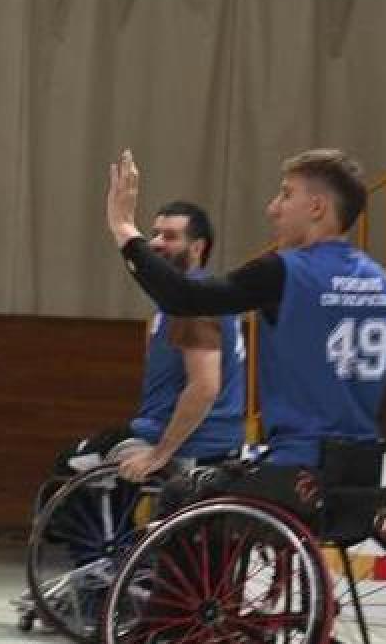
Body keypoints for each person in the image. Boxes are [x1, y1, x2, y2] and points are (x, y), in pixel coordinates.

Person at [105, 148, 386, 535]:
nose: (273, 208)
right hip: (359, 476)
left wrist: (125, 229)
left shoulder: (286, 272)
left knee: (181, 495)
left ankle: (171, 596)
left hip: (296, 471)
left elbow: (184, 297)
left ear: (317, 207)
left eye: (286, 194)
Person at [50, 201, 246, 490]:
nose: (155, 243)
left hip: (190, 444)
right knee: (110, 451)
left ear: (197, 248)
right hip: (199, 435)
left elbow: (205, 387)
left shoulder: (193, 302)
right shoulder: (195, 297)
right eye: (154, 234)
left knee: (71, 466)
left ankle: (108, 535)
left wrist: (160, 453)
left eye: (169, 236)